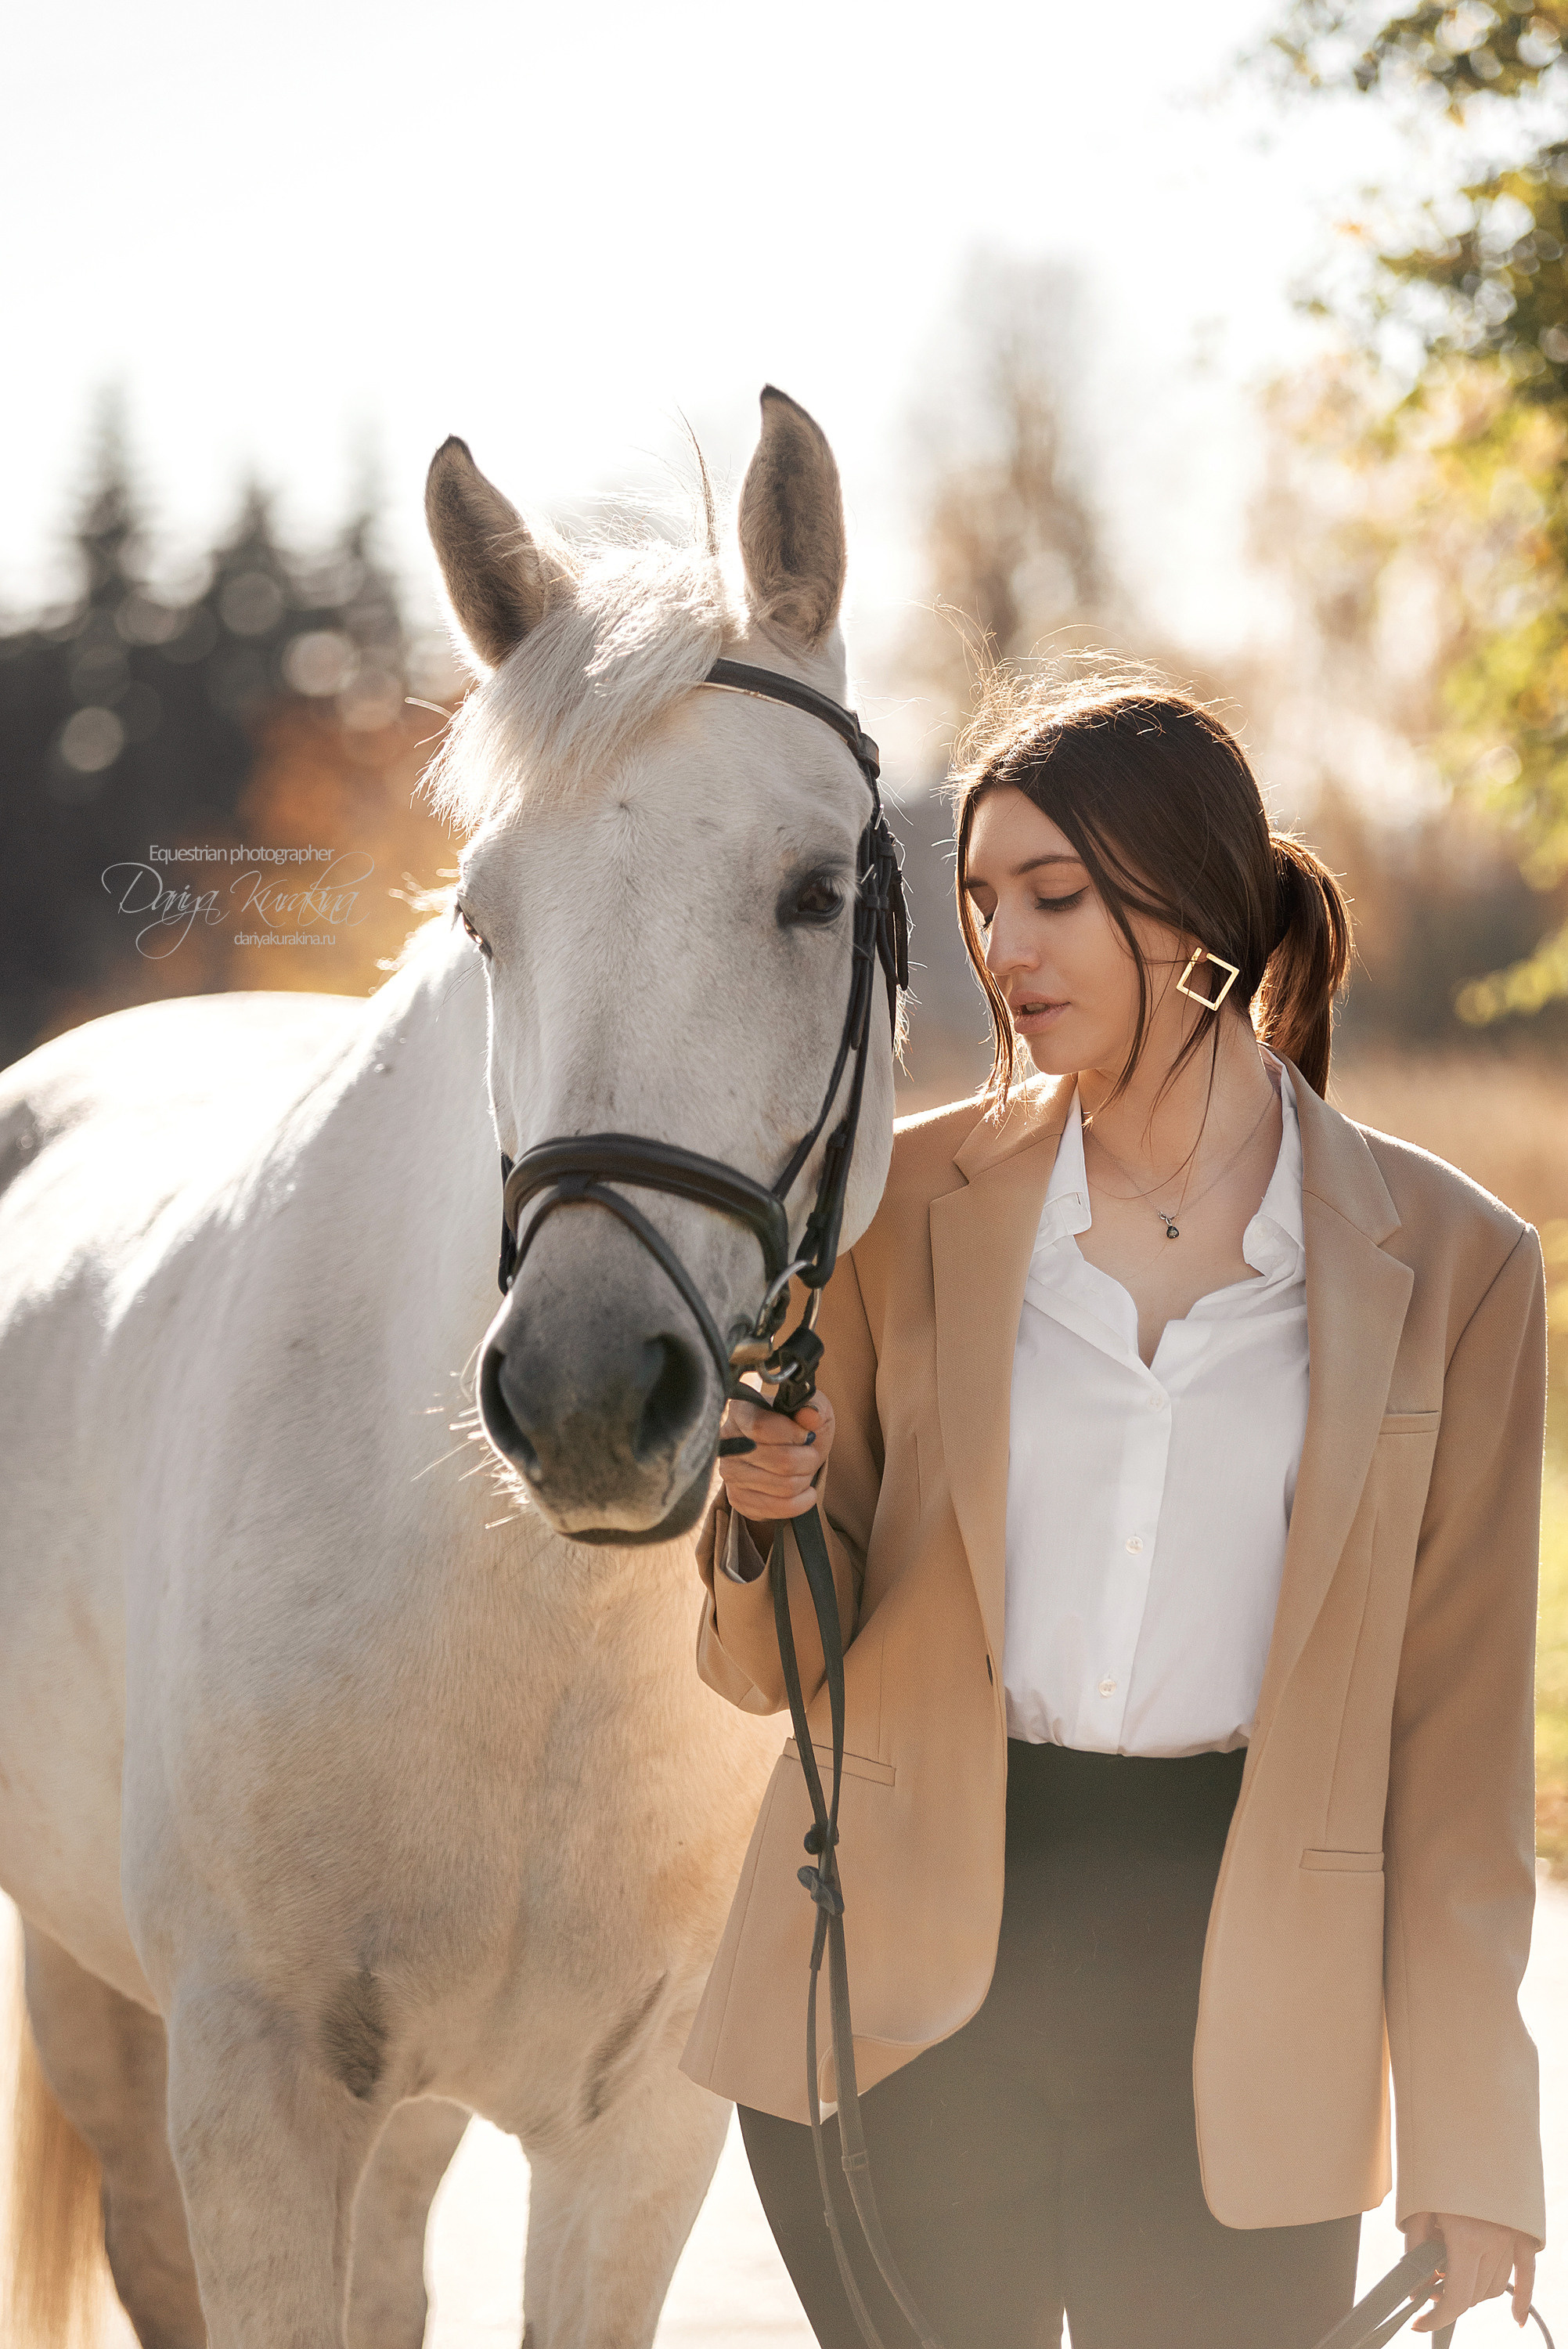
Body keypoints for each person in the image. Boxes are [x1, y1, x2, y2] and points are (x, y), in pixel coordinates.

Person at [677, 678, 1548, 2349]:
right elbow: (773, 1663)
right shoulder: (893, 1208)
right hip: (892, 2011)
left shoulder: (1455, 1267)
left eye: (1056, 896)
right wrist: (762, 1510)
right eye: (983, 901)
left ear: (1194, 909)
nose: (1006, 947)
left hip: (1245, 2035)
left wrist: (1474, 2140)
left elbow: (1458, 1761)